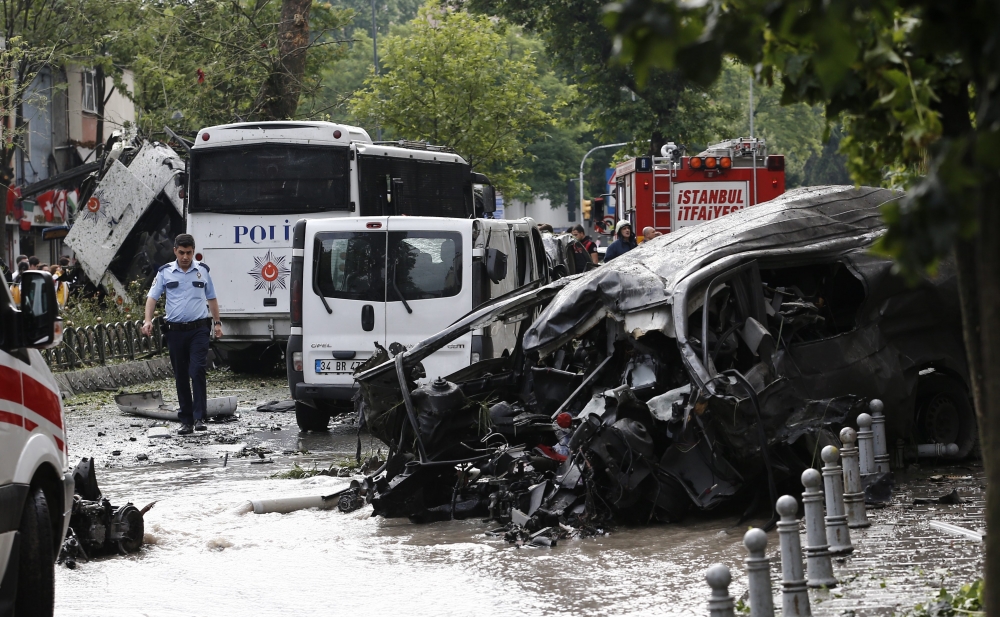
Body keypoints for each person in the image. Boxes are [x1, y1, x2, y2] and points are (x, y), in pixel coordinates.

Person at [141, 234, 223, 435]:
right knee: (181, 376)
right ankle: (185, 419)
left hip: (199, 330)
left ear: (193, 251)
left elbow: (211, 298)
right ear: (175, 251)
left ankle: (199, 417)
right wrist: (148, 320)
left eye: (189, 253)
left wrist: (218, 323)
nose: (185, 257)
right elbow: (152, 298)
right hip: (175, 331)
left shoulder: (202, 272)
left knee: (197, 371)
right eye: (181, 252)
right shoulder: (165, 272)